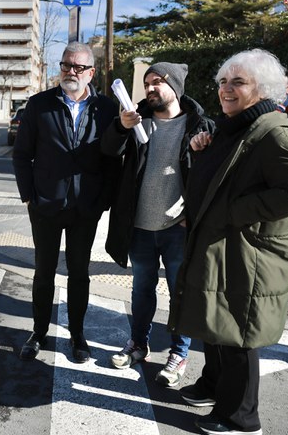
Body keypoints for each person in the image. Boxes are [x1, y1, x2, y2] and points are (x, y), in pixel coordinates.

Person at [169, 49, 288, 435]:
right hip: (225, 246)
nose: (226, 89)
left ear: (262, 89)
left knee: (238, 333)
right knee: (215, 322)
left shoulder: (275, 131)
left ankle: (241, 417)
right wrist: (200, 154)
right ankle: (213, 388)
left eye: (238, 82)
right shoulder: (234, 127)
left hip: (250, 251)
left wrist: (235, 212)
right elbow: (219, 182)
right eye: (223, 81)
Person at [101, 62, 214, 387]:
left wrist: (192, 216)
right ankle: (138, 344)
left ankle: (178, 353)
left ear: (175, 86)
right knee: (141, 291)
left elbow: (210, 174)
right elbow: (108, 150)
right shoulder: (136, 119)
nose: (150, 88)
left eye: (157, 82)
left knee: (181, 294)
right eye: (147, 83)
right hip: (139, 227)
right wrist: (121, 127)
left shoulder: (199, 125)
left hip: (177, 229)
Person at [13, 41, 119, 364]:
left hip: (85, 208)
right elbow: (21, 154)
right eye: (66, 65)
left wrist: (103, 201)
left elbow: (113, 160)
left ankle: (77, 335)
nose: (71, 72)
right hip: (45, 206)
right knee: (43, 271)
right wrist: (29, 196)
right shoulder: (39, 105)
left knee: (79, 273)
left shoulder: (106, 110)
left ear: (91, 72)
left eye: (78, 67)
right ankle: (39, 332)